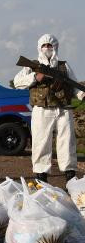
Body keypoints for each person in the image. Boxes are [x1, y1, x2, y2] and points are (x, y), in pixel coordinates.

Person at [14, 34, 84, 183]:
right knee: (41, 143)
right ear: (39, 47)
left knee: (67, 142)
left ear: (55, 47)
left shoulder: (64, 66)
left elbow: (73, 84)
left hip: (64, 109)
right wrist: (35, 77)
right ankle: (41, 177)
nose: (47, 48)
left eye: (50, 45)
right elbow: (17, 82)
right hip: (42, 109)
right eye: (44, 45)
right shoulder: (31, 65)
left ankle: (70, 176)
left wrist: (81, 94)